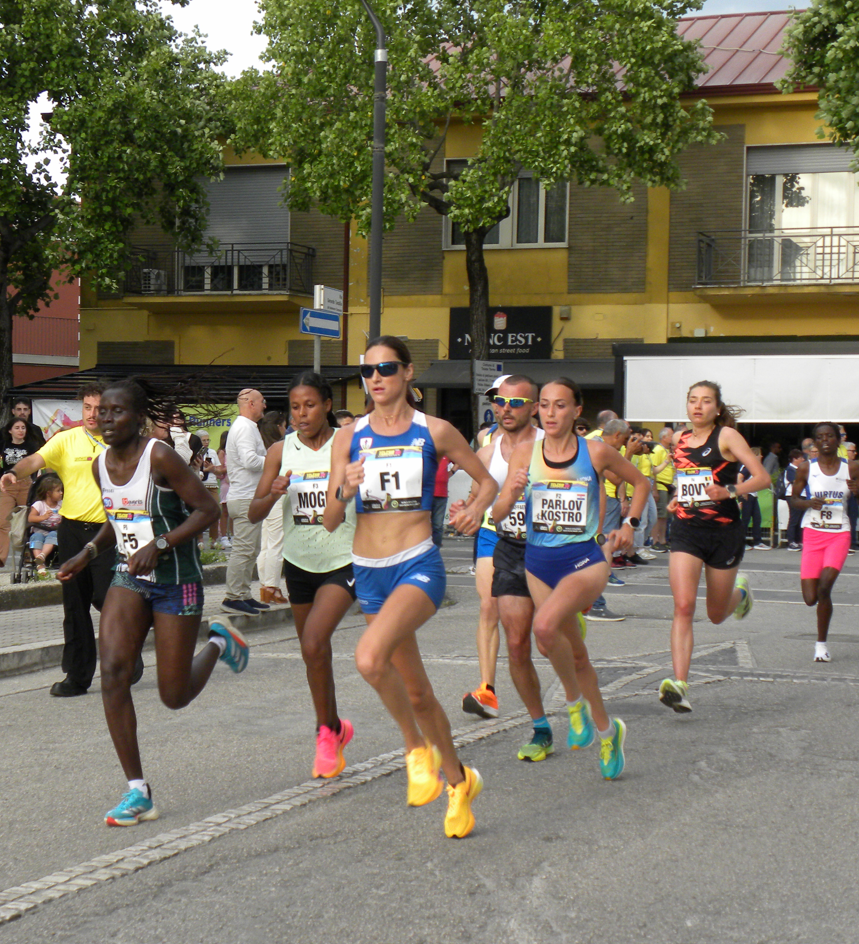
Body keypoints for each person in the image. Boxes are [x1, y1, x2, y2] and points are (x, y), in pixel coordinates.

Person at [325, 336, 497, 838]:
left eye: (386, 369)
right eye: (367, 371)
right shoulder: (348, 437)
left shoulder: (435, 430)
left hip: (417, 565)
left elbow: (486, 481)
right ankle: (460, 783)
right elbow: (331, 518)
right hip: (369, 571)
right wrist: (344, 489)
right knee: (418, 693)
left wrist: (475, 509)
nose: (375, 379)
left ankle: (414, 749)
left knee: (368, 658)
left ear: (407, 372)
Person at [57, 378, 246, 826]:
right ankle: (137, 791)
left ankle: (219, 642)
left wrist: (160, 544)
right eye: (101, 411)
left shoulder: (159, 456)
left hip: (176, 580)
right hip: (130, 576)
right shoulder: (100, 464)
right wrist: (88, 552)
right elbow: (117, 517)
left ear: (138, 417)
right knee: (113, 672)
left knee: (173, 695)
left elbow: (206, 510)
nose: (106, 419)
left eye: (116, 411)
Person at [493, 378, 650, 779]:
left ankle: (573, 703)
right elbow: (498, 513)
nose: (550, 413)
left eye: (560, 405)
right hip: (538, 562)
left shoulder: (595, 452)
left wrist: (630, 524)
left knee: (543, 627)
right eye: (544, 404)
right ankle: (608, 731)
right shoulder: (525, 453)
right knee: (573, 654)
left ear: (577, 410)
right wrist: (511, 492)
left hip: (583, 560)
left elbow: (642, 482)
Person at [1, 383, 143, 697]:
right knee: (75, 605)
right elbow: (34, 460)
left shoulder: (121, 441)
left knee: (108, 600)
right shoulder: (66, 439)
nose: (92, 414)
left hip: (109, 533)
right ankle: (77, 677)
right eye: (87, 408)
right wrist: (13, 472)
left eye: (98, 409)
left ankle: (128, 656)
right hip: (72, 531)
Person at [250, 372, 359, 778]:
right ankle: (332, 727)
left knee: (314, 640)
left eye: (310, 405)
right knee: (313, 652)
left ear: (327, 405)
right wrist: (273, 493)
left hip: (343, 559)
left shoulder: (346, 443)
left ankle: (323, 734)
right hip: (298, 564)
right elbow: (254, 512)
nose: (301, 414)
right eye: (295, 407)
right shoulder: (280, 451)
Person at [659, 381, 770, 714]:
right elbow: (685, 478)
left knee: (716, 615)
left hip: (724, 532)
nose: (698, 406)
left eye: (706, 401)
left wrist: (730, 491)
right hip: (686, 532)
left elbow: (762, 478)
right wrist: (678, 498)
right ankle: (680, 684)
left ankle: (741, 595)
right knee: (683, 605)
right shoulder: (678, 439)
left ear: (717, 408)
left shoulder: (727, 437)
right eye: (693, 400)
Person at [454, 375, 544, 723]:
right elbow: (477, 495)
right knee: (488, 606)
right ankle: (487, 690)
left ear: (533, 408)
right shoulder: (487, 451)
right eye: (499, 402)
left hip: (543, 540)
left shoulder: (547, 443)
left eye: (515, 403)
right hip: (496, 535)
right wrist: (465, 509)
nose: (505, 408)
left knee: (546, 627)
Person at [789, 423, 859, 663]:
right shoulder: (806, 468)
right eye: (820, 437)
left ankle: (821, 645)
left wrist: (857, 490)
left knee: (825, 587)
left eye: (830, 436)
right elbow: (793, 499)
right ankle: (820, 637)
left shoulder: (852, 467)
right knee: (810, 598)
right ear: (815, 443)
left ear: (838, 440)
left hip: (839, 533)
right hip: (813, 533)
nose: (825, 440)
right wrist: (808, 503)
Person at [222, 388, 269, 616]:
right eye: (262, 401)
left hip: (248, 496)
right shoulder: (244, 427)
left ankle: (242, 594)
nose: (265, 405)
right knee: (244, 549)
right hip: (245, 497)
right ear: (251, 403)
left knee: (251, 549)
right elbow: (250, 461)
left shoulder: (246, 426)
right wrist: (274, 460)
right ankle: (232, 597)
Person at [255, 410, 289, 605]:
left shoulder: (262, 446)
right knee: (276, 543)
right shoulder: (280, 449)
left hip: (263, 496)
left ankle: (264, 586)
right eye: (284, 425)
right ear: (279, 427)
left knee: (266, 543)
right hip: (277, 497)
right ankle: (272, 587)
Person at [0, 416, 42, 567]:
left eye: (23, 428)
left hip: (25, 484)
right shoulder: (3, 445)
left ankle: (28, 555)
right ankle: (1, 557)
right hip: (7, 485)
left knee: (28, 520)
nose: (20, 431)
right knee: (3, 521)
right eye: (17, 428)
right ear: (10, 430)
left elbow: (36, 464)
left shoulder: (31, 445)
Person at [28, 474, 63, 576]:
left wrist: (63, 521)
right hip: (40, 530)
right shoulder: (39, 504)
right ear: (48, 493)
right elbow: (31, 518)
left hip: (54, 531)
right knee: (36, 537)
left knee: (53, 535)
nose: (61, 493)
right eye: (58, 491)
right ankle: (40, 564)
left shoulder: (62, 504)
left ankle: (42, 555)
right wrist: (43, 517)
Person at [649, 426, 675, 552]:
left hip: (668, 484)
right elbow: (652, 469)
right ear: (664, 437)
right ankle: (655, 540)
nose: (673, 438)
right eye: (671, 435)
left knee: (665, 515)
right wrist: (654, 489)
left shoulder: (666, 450)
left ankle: (663, 539)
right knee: (659, 515)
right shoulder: (658, 450)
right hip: (660, 484)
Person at [783, 448, 805, 551]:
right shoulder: (790, 469)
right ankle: (791, 541)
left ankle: (798, 540)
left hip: (801, 495)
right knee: (794, 519)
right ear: (795, 459)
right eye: (801, 457)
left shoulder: (798, 469)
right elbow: (795, 482)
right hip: (793, 496)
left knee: (800, 519)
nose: (803, 459)